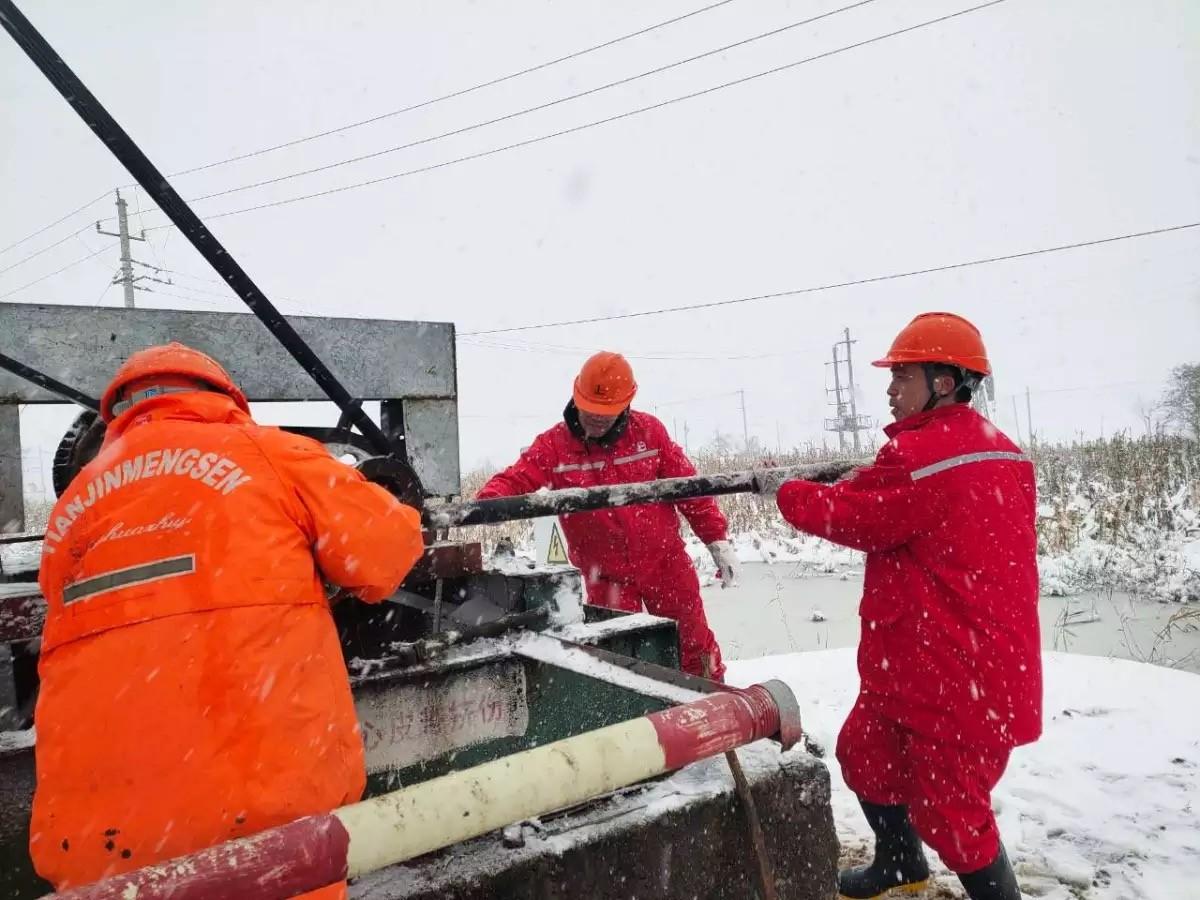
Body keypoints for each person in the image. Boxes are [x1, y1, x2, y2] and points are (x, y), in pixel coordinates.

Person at [31, 342, 424, 897]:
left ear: (117, 416)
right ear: (224, 398)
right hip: (265, 829)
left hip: (99, 851)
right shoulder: (267, 452)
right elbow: (390, 549)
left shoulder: (71, 507)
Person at [758, 313, 1038, 900]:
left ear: (944, 381)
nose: (889, 389)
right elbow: (892, 502)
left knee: (954, 815)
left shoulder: (924, 457)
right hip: (923, 656)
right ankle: (900, 864)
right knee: (866, 753)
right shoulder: (990, 450)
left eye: (903, 375)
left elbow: (851, 513)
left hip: (956, 671)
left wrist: (780, 491)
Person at [477, 351, 738, 679]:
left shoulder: (650, 434)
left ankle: (711, 707)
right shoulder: (554, 447)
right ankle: (634, 720)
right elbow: (516, 478)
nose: (597, 419)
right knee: (619, 657)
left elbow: (691, 490)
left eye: (607, 413)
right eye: (592, 410)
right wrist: (489, 503)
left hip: (665, 565)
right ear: (576, 396)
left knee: (692, 645)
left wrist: (716, 539)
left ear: (627, 404)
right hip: (608, 576)